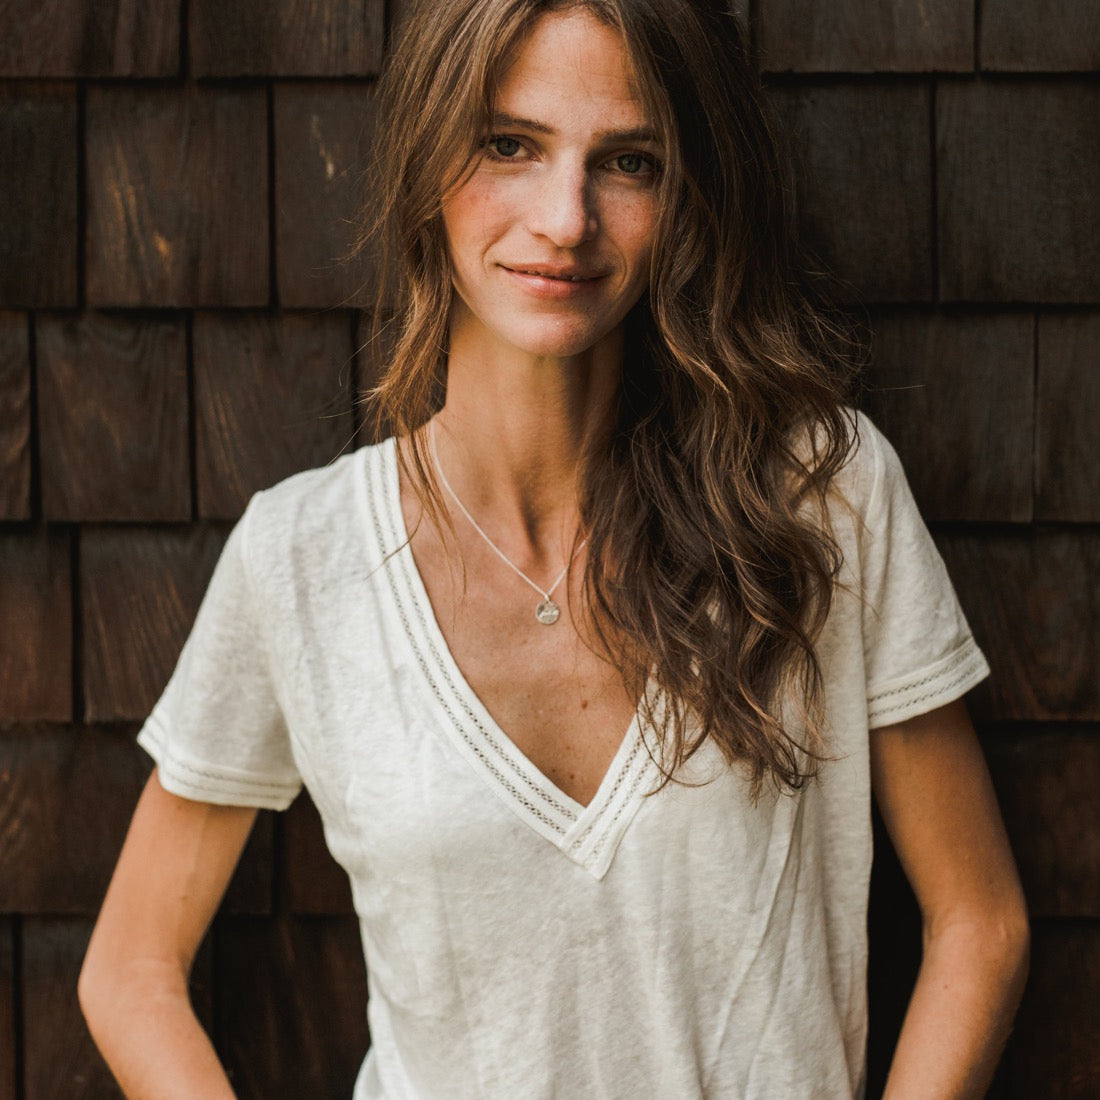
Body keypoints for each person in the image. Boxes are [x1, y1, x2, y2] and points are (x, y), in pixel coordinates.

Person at [78, 1, 1030, 1096]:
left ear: (686, 197)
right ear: (426, 162)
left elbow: (978, 920)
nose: (565, 217)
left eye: (628, 161)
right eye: (508, 145)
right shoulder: (301, 555)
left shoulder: (820, 496)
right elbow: (130, 968)